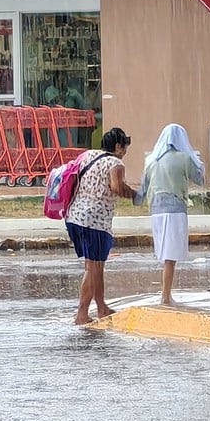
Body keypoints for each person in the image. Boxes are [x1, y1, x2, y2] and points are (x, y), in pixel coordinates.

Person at [65, 128, 136, 325]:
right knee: (93, 266)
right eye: (124, 147)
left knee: (95, 266)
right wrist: (135, 194)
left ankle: (101, 307)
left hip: (75, 216)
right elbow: (116, 187)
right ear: (117, 146)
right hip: (94, 222)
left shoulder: (88, 155)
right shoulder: (115, 162)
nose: (125, 152)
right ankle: (82, 313)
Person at [134, 123, 204, 305]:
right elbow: (200, 179)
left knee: (166, 254)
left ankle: (166, 294)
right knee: (170, 257)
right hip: (175, 210)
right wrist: (197, 162)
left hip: (156, 211)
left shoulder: (151, 160)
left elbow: (142, 191)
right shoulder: (183, 158)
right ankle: (165, 296)